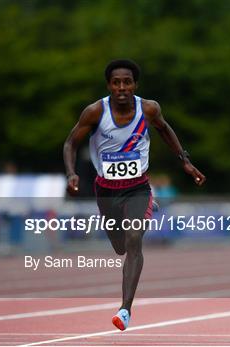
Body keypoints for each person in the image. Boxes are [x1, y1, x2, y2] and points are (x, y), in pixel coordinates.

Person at [63, 59, 206, 331]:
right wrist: (71, 173)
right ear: (109, 85)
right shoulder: (95, 112)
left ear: (135, 85)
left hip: (138, 188)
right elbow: (71, 142)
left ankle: (125, 309)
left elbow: (164, 129)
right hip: (106, 190)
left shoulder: (149, 108)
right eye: (116, 82)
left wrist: (185, 161)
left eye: (127, 82)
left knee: (133, 238)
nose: (122, 87)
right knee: (120, 246)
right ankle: (124, 278)